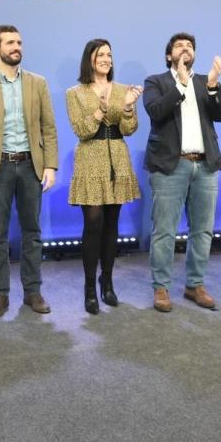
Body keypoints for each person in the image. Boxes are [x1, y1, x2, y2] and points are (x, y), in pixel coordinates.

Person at [0, 25, 58, 318]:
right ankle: (0, 296)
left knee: (32, 232)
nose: (17, 46)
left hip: (31, 165)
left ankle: (33, 291)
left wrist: (51, 165)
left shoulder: (38, 83)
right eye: (10, 42)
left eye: (19, 41)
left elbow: (48, 127)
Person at [142, 33, 221, 313]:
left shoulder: (205, 82)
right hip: (170, 165)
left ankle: (195, 284)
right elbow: (156, 111)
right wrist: (180, 83)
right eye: (179, 46)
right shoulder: (156, 82)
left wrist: (215, 85)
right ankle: (161, 287)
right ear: (170, 55)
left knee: (203, 230)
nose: (185, 49)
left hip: (205, 165)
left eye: (190, 46)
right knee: (164, 231)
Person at [66, 39, 142, 314]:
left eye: (110, 54)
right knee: (93, 223)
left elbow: (130, 128)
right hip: (90, 158)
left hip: (118, 158)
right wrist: (101, 109)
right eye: (101, 55)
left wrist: (129, 107)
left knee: (112, 224)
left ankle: (107, 282)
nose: (106, 59)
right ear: (90, 59)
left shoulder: (123, 90)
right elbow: (81, 129)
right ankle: (89, 288)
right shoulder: (75, 92)